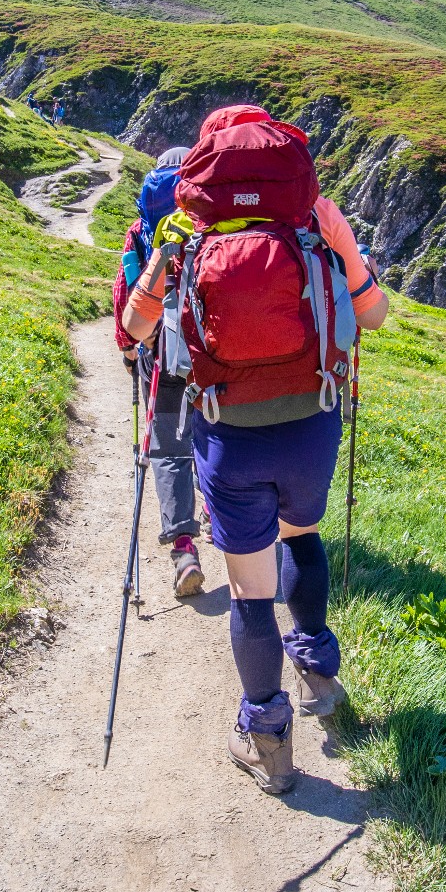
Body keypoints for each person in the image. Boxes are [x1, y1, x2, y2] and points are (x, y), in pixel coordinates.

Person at [122, 105, 388, 795]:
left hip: (228, 431)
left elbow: (134, 325)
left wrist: (162, 256)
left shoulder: (189, 229)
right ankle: (319, 673)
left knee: (248, 587)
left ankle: (269, 741)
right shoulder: (313, 220)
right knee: (302, 535)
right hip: (312, 423)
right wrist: (347, 247)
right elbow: (373, 314)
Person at [113, 147, 204, 597]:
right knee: (210, 428)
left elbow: (124, 292)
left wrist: (130, 348)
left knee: (168, 445)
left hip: (161, 347)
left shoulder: (140, 230)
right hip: (206, 349)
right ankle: (218, 506)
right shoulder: (207, 212)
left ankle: (184, 550)